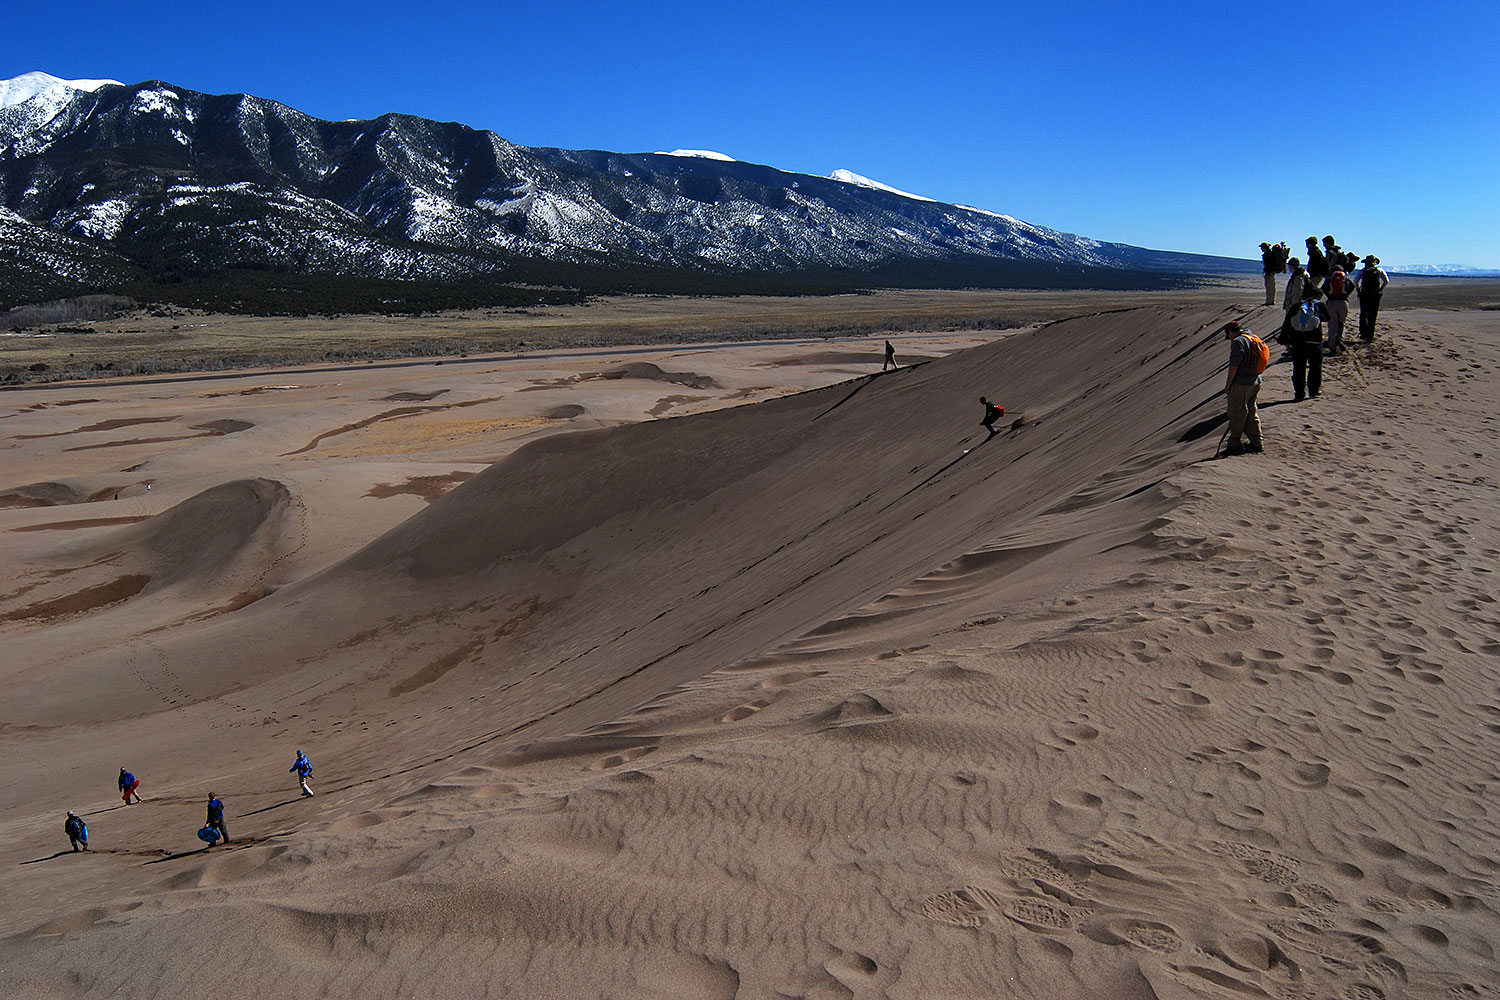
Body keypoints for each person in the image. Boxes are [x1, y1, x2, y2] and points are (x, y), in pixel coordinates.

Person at [1222, 321, 1264, 455]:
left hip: (1241, 383)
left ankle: (1234, 444)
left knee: (1237, 412)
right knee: (1252, 412)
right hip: (1256, 381)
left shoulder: (1238, 341)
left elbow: (1234, 364)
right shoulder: (1253, 337)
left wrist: (1228, 384)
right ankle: (1257, 442)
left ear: (1230, 332)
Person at [1287, 284, 1328, 401]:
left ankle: (1299, 393)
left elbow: (1287, 322)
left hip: (1298, 342)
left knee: (1299, 368)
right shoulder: (1319, 305)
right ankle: (1314, 391)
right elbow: (1327, 318)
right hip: (1315, 342)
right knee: (1315, 367)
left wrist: (1285, 339)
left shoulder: (1297, 306)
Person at [1351, 255, 1389, 342]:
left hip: (1364, 295)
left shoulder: (1363, 271)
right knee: (1373, 315)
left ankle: (1363, 333)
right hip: (1375, 295)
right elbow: (1386, 281)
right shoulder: (1379, 271)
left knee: (1363, 314)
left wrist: (1358, 289)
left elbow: (1355, 281)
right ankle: (1370, 336)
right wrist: (1380, 289)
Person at [1321, 267, 1355, 354]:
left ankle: (1332, 346)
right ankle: (1340, 340)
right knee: (1341, 323)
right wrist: (1346, 295)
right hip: (1343, 303)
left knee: (1332, 326)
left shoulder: (1329, 280)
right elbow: (1352, 286)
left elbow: (1323, 289)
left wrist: (1329, 296)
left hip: (1332, 303)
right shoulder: (1345, 279)